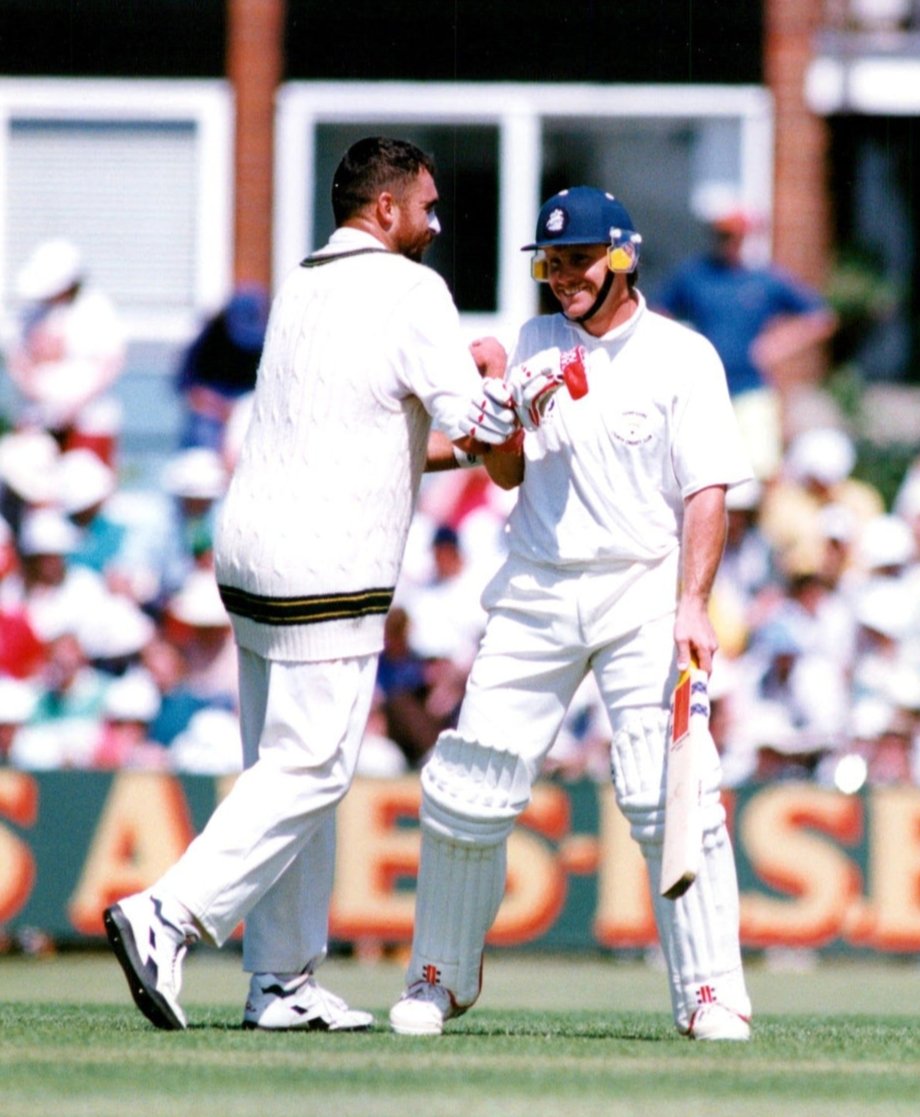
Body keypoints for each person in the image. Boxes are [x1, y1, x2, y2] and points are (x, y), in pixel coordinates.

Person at [102, 136, 518, 1033]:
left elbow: (390, 435)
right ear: (385, 210)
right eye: (428, 206)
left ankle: (281, 982)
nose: (436, 223)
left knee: (281, 765)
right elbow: (478, 424)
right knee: (313, 765)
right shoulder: (413, 292)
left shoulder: (302, 283)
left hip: (251, 553)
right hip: (325, 563)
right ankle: (166, 914)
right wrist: (495, 367)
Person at [389, 185, 755, 1042]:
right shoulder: (532, 340)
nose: (563, 277)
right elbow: (510, 474)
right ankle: (437, 974)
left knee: (673, 792)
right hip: (538, 583)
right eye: (551, 263)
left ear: (622, 257)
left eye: (580, 261)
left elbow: (707, 491)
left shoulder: (682, 355)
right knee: (468, 786)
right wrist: (508, 410)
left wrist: (692, 603)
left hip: (642, 585)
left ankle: (710, 994)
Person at [653, 192, 837, 480]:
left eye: (736, 235)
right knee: (703, 468)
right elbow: (658, 314)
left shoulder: (763, 280)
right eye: (723, 235)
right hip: (705, 389)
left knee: (762, 467)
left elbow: (820, 316)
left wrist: (779, 345)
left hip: (751, 385)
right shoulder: (695, 276)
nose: (729, 242)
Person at [6, 238, 126, 464]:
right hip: (37, 420)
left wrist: (73, 406)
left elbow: (111, 362)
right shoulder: (29, 314)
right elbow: (18, 359)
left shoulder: (96, 310)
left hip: (89, 420)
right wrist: (40, 397)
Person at [175, 285, 269, 451]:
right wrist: (218, 408)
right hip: (214, 411)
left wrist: (240, 411)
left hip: (249, 409)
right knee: (203, 431)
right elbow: (189, 389)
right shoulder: (209, 339)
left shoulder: (271, 342)